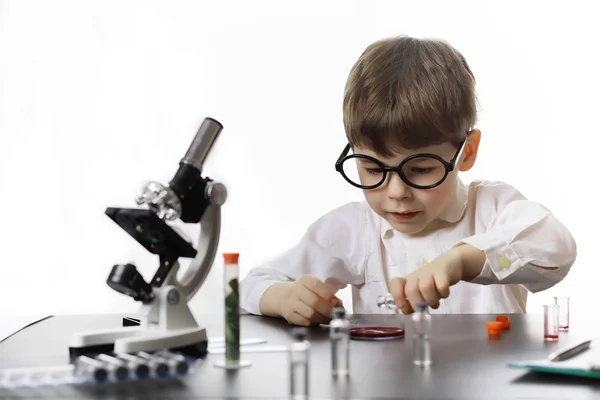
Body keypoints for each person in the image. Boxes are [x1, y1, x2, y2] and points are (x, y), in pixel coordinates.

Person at [239, 35, 577, 326]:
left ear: (467, 152)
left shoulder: (492, 209)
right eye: (373, 169)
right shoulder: (355, 229)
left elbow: (557, 248)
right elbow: (251, 286)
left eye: (421, 169)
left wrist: (463, 260)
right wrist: (284, 298)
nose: (397, 193)